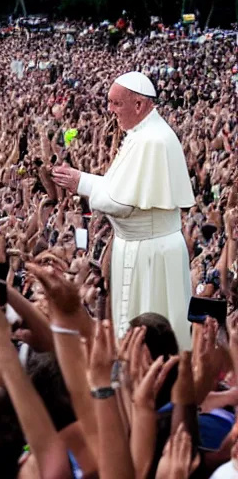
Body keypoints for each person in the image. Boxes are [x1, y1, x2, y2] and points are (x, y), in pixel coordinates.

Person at [52, 71, 195, 349]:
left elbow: (120, 201)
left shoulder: (150, 140)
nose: (110, 110)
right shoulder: (142, 134)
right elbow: (121, 186)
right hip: (142, 247)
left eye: (116, 104)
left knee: (151, 335)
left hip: (151, 252)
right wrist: (80, 179)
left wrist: (80, 181)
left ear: (139, 105)